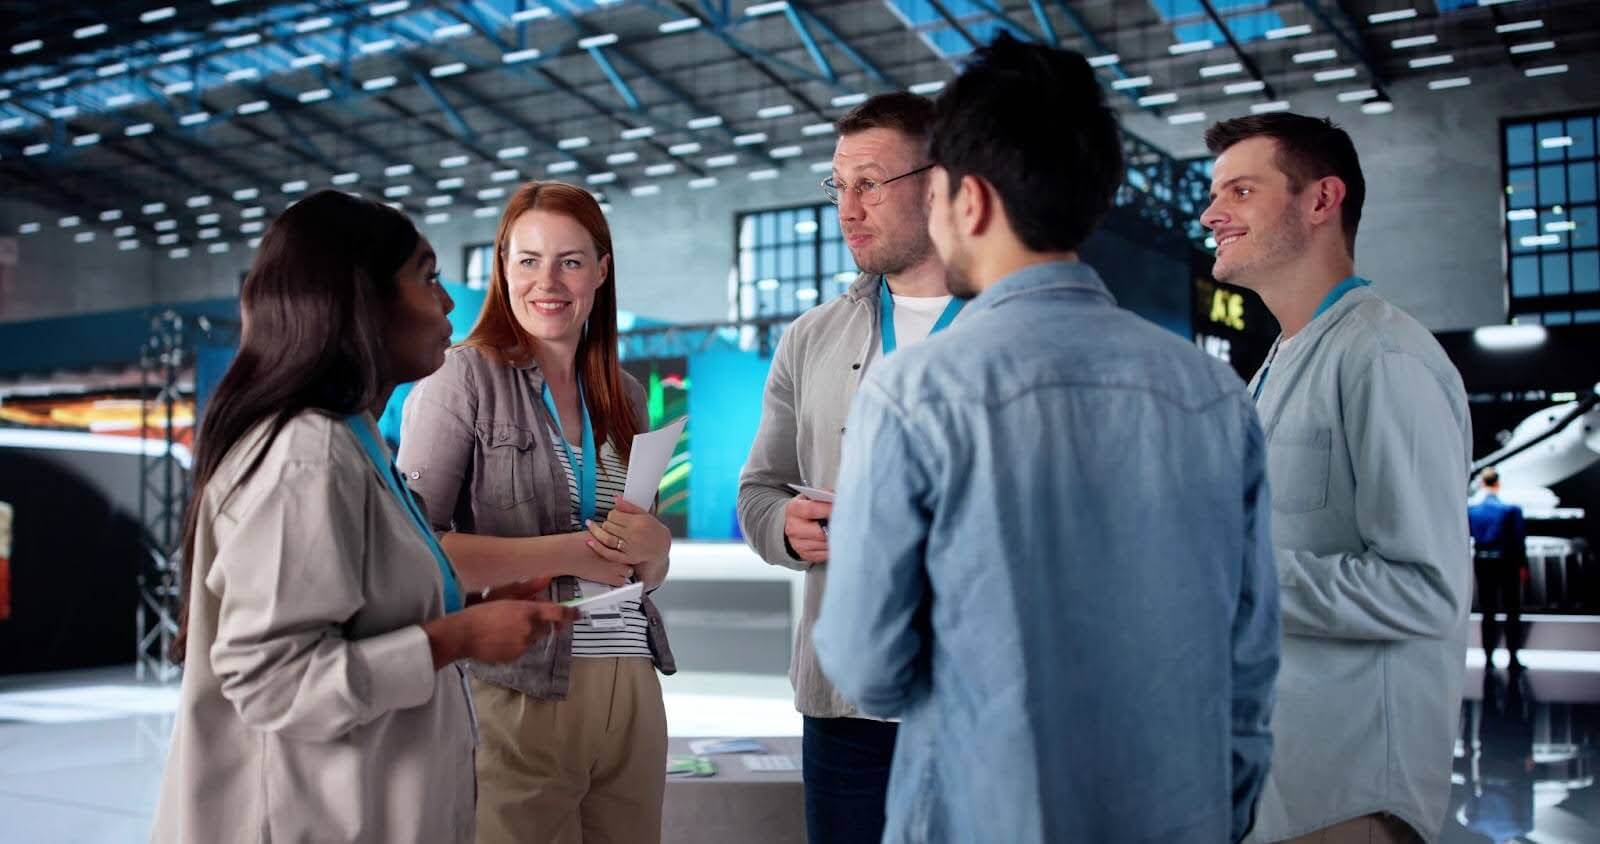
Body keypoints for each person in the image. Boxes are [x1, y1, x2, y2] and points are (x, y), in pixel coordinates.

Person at [812, 34, 1280, 843]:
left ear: (972, 202)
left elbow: (866, 667)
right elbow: (1250, 664)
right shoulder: (1214, 397)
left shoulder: (917, 392)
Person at [152, 190, 575, 843]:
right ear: (362, 299)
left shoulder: (356, 441)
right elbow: (271, 678)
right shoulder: (309, 452)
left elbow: (359, 614)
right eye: (427, 278)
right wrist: (454, 640)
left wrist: (470, 612)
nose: (448, 302)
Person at [1200, 113, 1473, 842]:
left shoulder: (1383, 356)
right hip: (1276, 781)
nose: (1211, 213)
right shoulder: (1281, 361)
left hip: (1349, 799)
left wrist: (1226, 573)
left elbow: (1428, 589)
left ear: (1321, 201)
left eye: (1241, 190)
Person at [398, 181, 676, 844]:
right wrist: (568, 553)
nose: (547, 281)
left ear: (602, 271)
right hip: (521, 686)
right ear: (502, 266)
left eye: (570, 261)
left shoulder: (627, 397)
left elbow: (639, 567)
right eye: (528, 260)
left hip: (632, 684)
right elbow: (415, 551)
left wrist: (657, 550)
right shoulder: (460, 379)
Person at [736, 91, 954, 843]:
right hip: (849, 711)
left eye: (870, 182)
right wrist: (788, 530)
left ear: (939, 183)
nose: (848, 207)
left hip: (983, 704)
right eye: (839, 185)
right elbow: (758, 491)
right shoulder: (811, 338)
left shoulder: (1015, 327)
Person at [1470, 468, 1528, 670]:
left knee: (1488, 611)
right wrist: (1523, 566)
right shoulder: (1511, 510)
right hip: (1507, 563)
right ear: (1498, 483)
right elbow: (1519, 541)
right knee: (1512, 610)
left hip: (1482, 563)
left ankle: (1488, 658)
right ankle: (1513, 658)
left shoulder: (1472, 510)